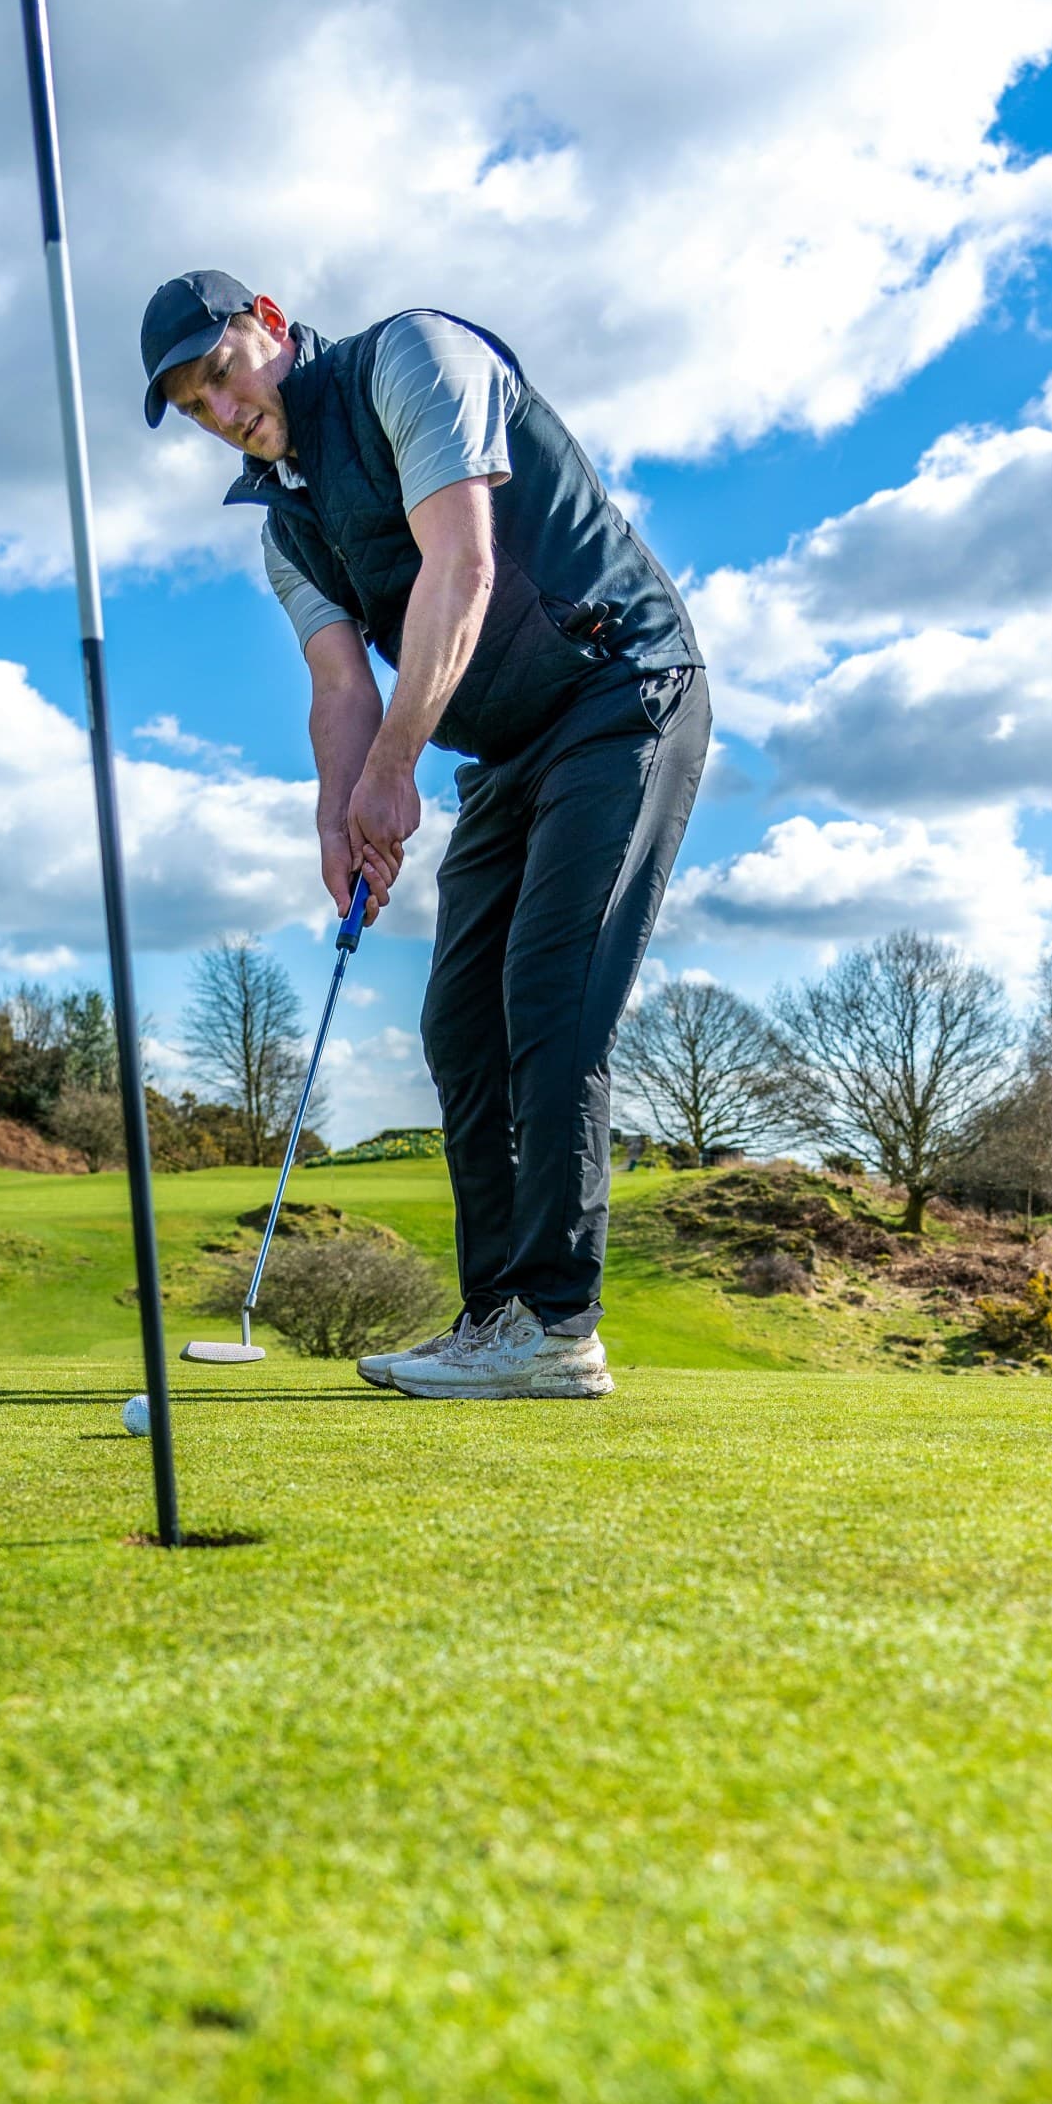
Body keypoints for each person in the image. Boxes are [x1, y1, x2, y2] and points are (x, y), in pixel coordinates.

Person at [141, 270, 710, 1400]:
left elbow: (463, 562)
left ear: (264, 322)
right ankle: (494, 1317)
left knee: (549, 998)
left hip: (617, 692)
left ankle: (556, 1328)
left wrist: (395, 772)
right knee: (458, 1026)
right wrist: (337, 816)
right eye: (193, 408)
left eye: (217, 376)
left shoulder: (414, 357)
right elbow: (339, 687)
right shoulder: (283, 525)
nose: (219, 412)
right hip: (504, 748)